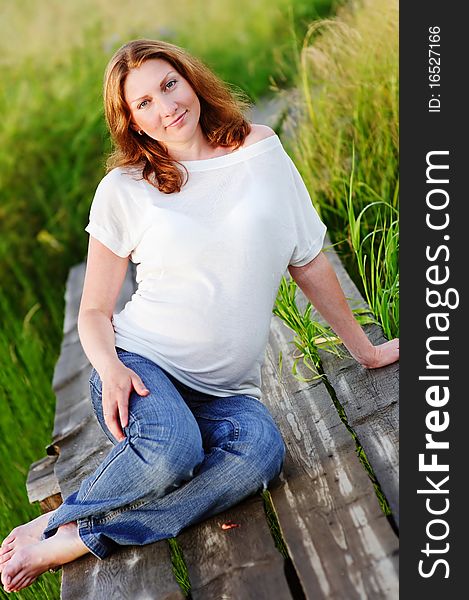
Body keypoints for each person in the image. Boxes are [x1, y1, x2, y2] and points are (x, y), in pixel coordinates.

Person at [0, 39, 399, 593]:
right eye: (143, 103)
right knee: (172, 451)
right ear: (131, 122)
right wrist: (113, 370)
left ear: (191, 81)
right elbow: (93, 310)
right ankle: (72, 529)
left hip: (230, 393)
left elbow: (307, 259)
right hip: (144, 365)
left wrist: (368, 350)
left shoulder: (262, 151)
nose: (165, 108)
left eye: (169, 85)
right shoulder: (125, 189)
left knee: (261, 456)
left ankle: (71, 524)